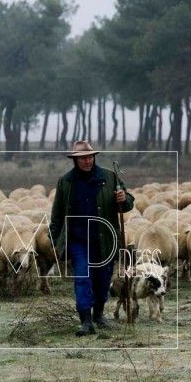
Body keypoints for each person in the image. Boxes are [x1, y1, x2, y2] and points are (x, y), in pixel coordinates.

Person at [49, 140, 135, 336]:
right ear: (75, 160)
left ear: (94, 157)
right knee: (82, 278)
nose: (87, 161)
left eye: (89, 157)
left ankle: (99, 315)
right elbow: (57, 215)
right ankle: (86, 321)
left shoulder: (110, 177)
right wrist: (55, 240)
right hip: (78, 240)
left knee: (103, 279)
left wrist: (124, 198)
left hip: (105, 238)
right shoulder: (66, 182)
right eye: (82, 158)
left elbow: (128, 203)